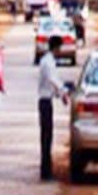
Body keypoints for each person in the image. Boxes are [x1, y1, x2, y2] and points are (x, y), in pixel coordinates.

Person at [38, 22, 79, 180]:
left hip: (47, 100)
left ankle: (47, 168)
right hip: (45, 102)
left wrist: (62, 92)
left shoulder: (48, 61)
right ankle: (45, 170)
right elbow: (53, 81)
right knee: (46, 136)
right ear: (56, 48)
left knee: (48, 136)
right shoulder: (47, 62)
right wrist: (63, 91)